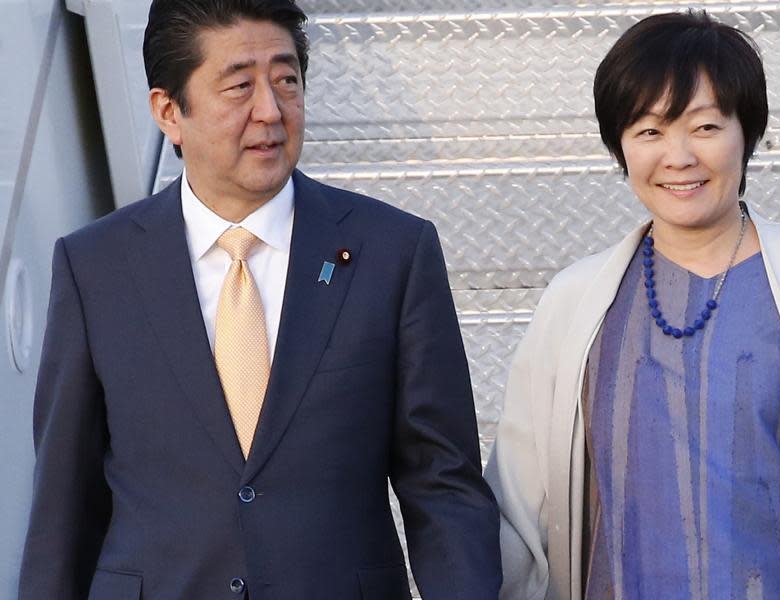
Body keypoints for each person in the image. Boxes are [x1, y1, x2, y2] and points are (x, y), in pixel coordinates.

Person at [18, 1, 501, 598]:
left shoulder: (393, 251)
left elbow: (442, 481)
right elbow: (65, 500)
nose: (270, 111)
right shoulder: (96, 267)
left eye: (286, 81)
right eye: (240, 86)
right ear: (169, 111)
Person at [485, 11, 780, 600]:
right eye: (648, 131)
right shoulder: (576, 304)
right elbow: (518, 505)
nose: (677, 156)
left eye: (704, 127)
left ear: (745, 133)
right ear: (620, 148)